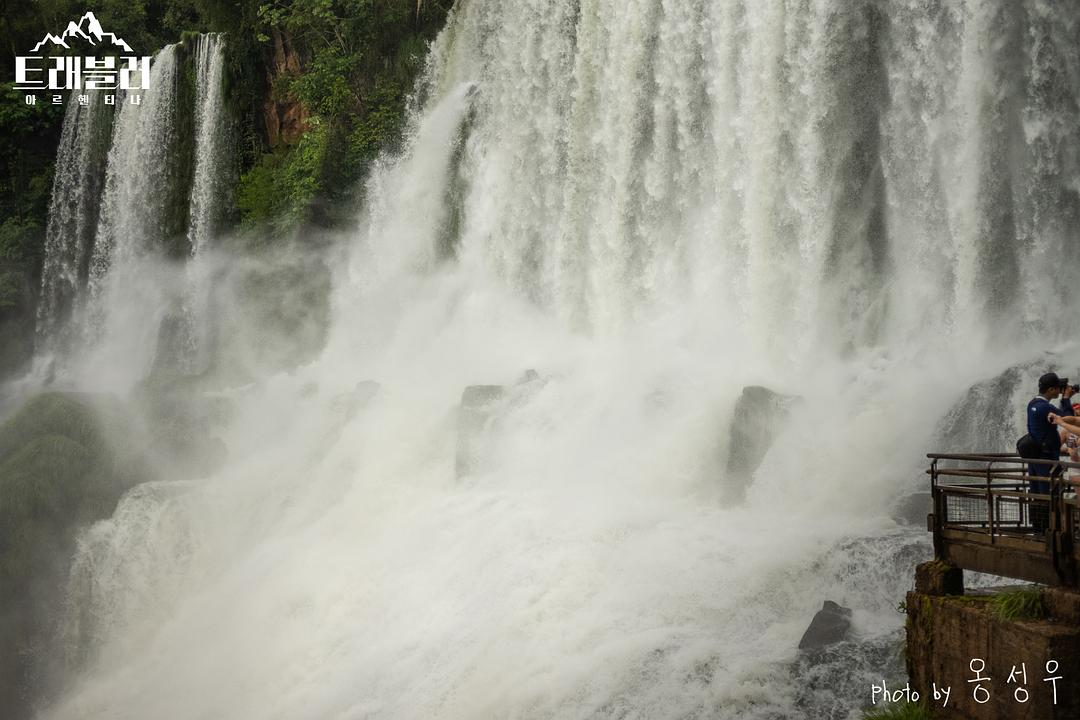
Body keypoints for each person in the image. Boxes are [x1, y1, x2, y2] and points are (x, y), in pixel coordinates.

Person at [1026, 372, 1076, 530]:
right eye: (1057, 388)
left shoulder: (1033, 403)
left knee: (1038, 495)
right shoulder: (1045, 407)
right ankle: (1050, 531)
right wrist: (1067, 398)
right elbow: (1068, 418)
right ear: (1050, 390)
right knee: (1049, 495)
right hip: (1047, 459)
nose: (1059, 390)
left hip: (1036, 458)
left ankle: (1038, 530)